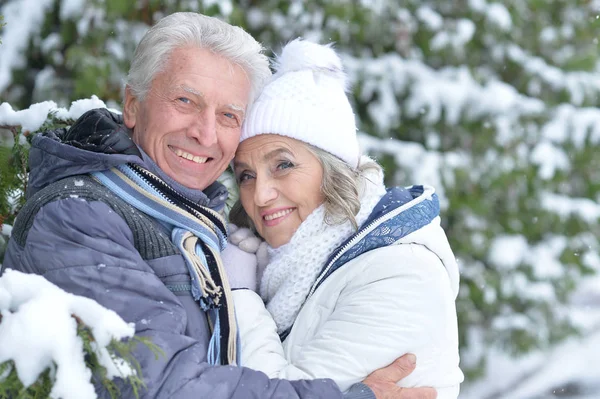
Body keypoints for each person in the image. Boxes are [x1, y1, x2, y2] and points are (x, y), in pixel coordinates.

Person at [1, 12, 436, 399]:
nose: (205, 134)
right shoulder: (81, 216)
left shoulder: (202, 231)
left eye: (229, 116)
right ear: (133, 105)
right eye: (185, 101)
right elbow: (163, 384)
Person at [227, 39, 464, 397]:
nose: (259, 195)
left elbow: (273, 391)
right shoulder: (289, 267)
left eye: (283, 165)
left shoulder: (399, 272)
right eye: (246, 175)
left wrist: (240, 294)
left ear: (334, 170)